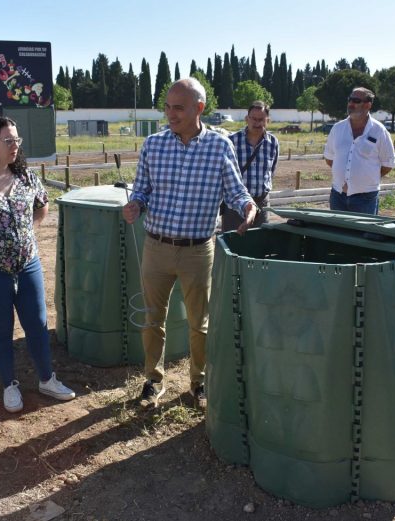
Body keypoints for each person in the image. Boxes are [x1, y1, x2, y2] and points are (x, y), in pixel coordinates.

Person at [122, 78, 257, 409]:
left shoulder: (220, 146)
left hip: (198, 250)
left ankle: (199, 383)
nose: (170, 113)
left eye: (178, 108)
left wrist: (248, 207)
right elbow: (141, 190)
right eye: (167, 107)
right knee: (152, 319)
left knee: (201, 324)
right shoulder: (153, 145)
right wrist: (135, 205)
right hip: (156, 247)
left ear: (199, 108)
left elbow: (235, 190)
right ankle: (153, 381)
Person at [0, 115, 75, 413]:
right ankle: (10, 384)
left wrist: (29, 234)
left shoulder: (26, 176)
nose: (15, 146)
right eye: (8, 141)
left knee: (37, 323)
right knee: (1, 328)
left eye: (17, 140)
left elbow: (43, 205)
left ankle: (47, 378)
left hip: (27, 265)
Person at [323, 87, 395, 214]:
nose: (351, 104)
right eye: (350, 99)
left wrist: (366, 178)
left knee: (364, 234)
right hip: (338, 196)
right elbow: (330, 159)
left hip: (365, 198)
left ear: (368, 105)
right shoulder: (337, 128)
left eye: (356, 100)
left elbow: (388, 164)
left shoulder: (379, 131)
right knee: (337, 233)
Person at [223, 100, 279, 231]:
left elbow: (272, 171)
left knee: (259, 244)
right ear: (246, 119)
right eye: (253, 119)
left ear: (267, 121)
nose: (257, 123)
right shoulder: (232, 141)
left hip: (262, 204)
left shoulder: (273, 142)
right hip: (235, 206)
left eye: (261, 119)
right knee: (233, 243)